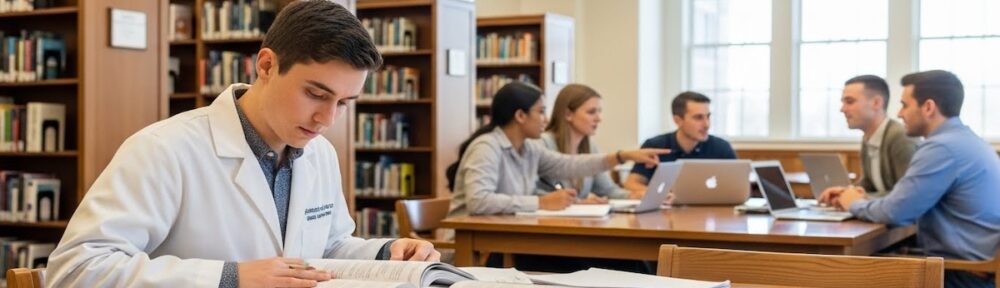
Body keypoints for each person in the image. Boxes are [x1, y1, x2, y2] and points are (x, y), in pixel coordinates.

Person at [47, 2, 438, 287]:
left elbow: (327, 247)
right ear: (266, 65)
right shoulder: (163, 149)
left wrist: (387, 254)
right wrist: (229, 277)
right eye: (316, 94)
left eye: (343, 103)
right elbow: (78, 268)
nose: (328, 119)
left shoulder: (319, 152)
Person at [820, 70, 1000, 288]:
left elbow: (895, 212)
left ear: (928, 107)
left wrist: (853, 203)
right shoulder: (966, 140)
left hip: (963, 275)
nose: (899, 113)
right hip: (975, 268)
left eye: (905, 105)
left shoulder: (941, 148)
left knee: (839, 275)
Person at [446, 82, 668, 216]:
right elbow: (479, 201)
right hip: (472, 241)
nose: (546, 118)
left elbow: (569, 165)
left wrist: (621, 156)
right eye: (540, 111)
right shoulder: (486, 147)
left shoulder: (530, 148)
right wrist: (540, 202)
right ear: (520, 116)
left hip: (508, 234)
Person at [622, 91, 736, 194]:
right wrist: (664, 195)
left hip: (712, 214)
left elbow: (736, 188)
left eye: (708, 117)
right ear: (678, 120)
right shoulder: (655, 146)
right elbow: (631, 184)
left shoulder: (722, 148)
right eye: (698, 118)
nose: (707, 125)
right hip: (666, 214)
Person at [536, 84, 632, 202]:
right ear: (568, 114)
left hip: (577, 219)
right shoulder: (542, 144)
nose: (599, 118)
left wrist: (635, 196)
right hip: (546, 219)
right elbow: (531, 193)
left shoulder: (590, 147)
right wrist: (579, 203)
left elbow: (608, 190)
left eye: (599, 111)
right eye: (591, 112)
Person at [839, 75, 918, 196]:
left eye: (849, 101)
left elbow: (908, 195)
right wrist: (844, 193)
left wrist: (861, 197)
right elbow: (869, 184)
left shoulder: (901, 137)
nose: (842, 109)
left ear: (876, 103)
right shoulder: (868, 137)